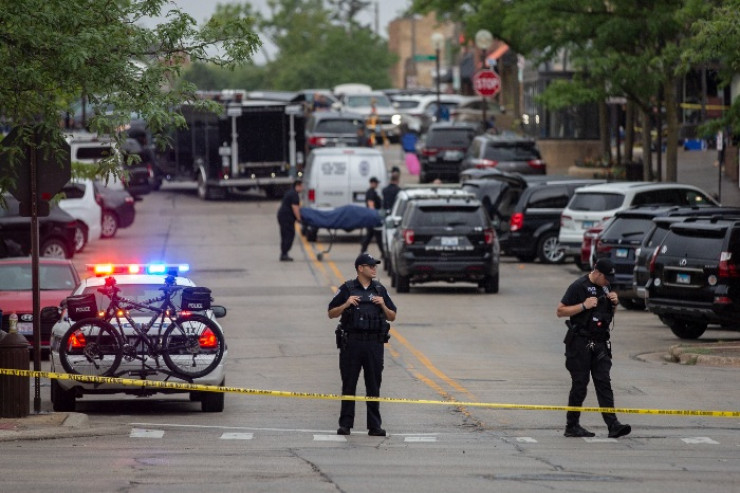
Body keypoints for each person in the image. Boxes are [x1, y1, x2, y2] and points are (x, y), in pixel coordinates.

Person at [556, 258, 631, 438]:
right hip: (580, 343)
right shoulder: (578, 286)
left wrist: (614, 304)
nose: (608, 282)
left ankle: (613, 425)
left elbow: (606, 316)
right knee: (580, 384)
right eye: (606, 278)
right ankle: (571, 425)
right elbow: (560, 311)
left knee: (603, 381)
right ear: (597, 273)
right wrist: (584, 305)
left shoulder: (605, 288)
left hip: (600, 343)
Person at [328, 253, 397, 436]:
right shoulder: (347, 288)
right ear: (360, 268)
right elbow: (331, 313)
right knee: (349, 384)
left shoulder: (380, 290)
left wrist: (383, 305)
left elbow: (392, 316)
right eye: (371, 266)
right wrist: (346, 304)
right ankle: (345, 424)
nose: (374, 269)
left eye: (375, 266)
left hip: (374, 343)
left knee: (373, 385)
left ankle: (374, 426)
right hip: (352, 343)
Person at [277, 180, 303, 261]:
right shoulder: (294, 195)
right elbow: (295, 208)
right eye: (301, 186)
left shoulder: (290, 192)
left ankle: (284, 253)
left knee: (285, 235)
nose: (303, 188)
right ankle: (284, 254)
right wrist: (299, 219)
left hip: (283, 216)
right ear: (298, 186)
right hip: (286, 217)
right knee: (289, 235)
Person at [360, 177, 383, 255]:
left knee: (370, 235)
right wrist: (374, 216)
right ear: (373, 183)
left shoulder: (372, 192)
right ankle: (383, 252)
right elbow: (371, 204)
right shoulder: (371, 192)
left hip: (371, 217)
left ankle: (363, 250)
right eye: (376, 183)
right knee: (377, 236)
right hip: (372, 217)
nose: (377, 184)